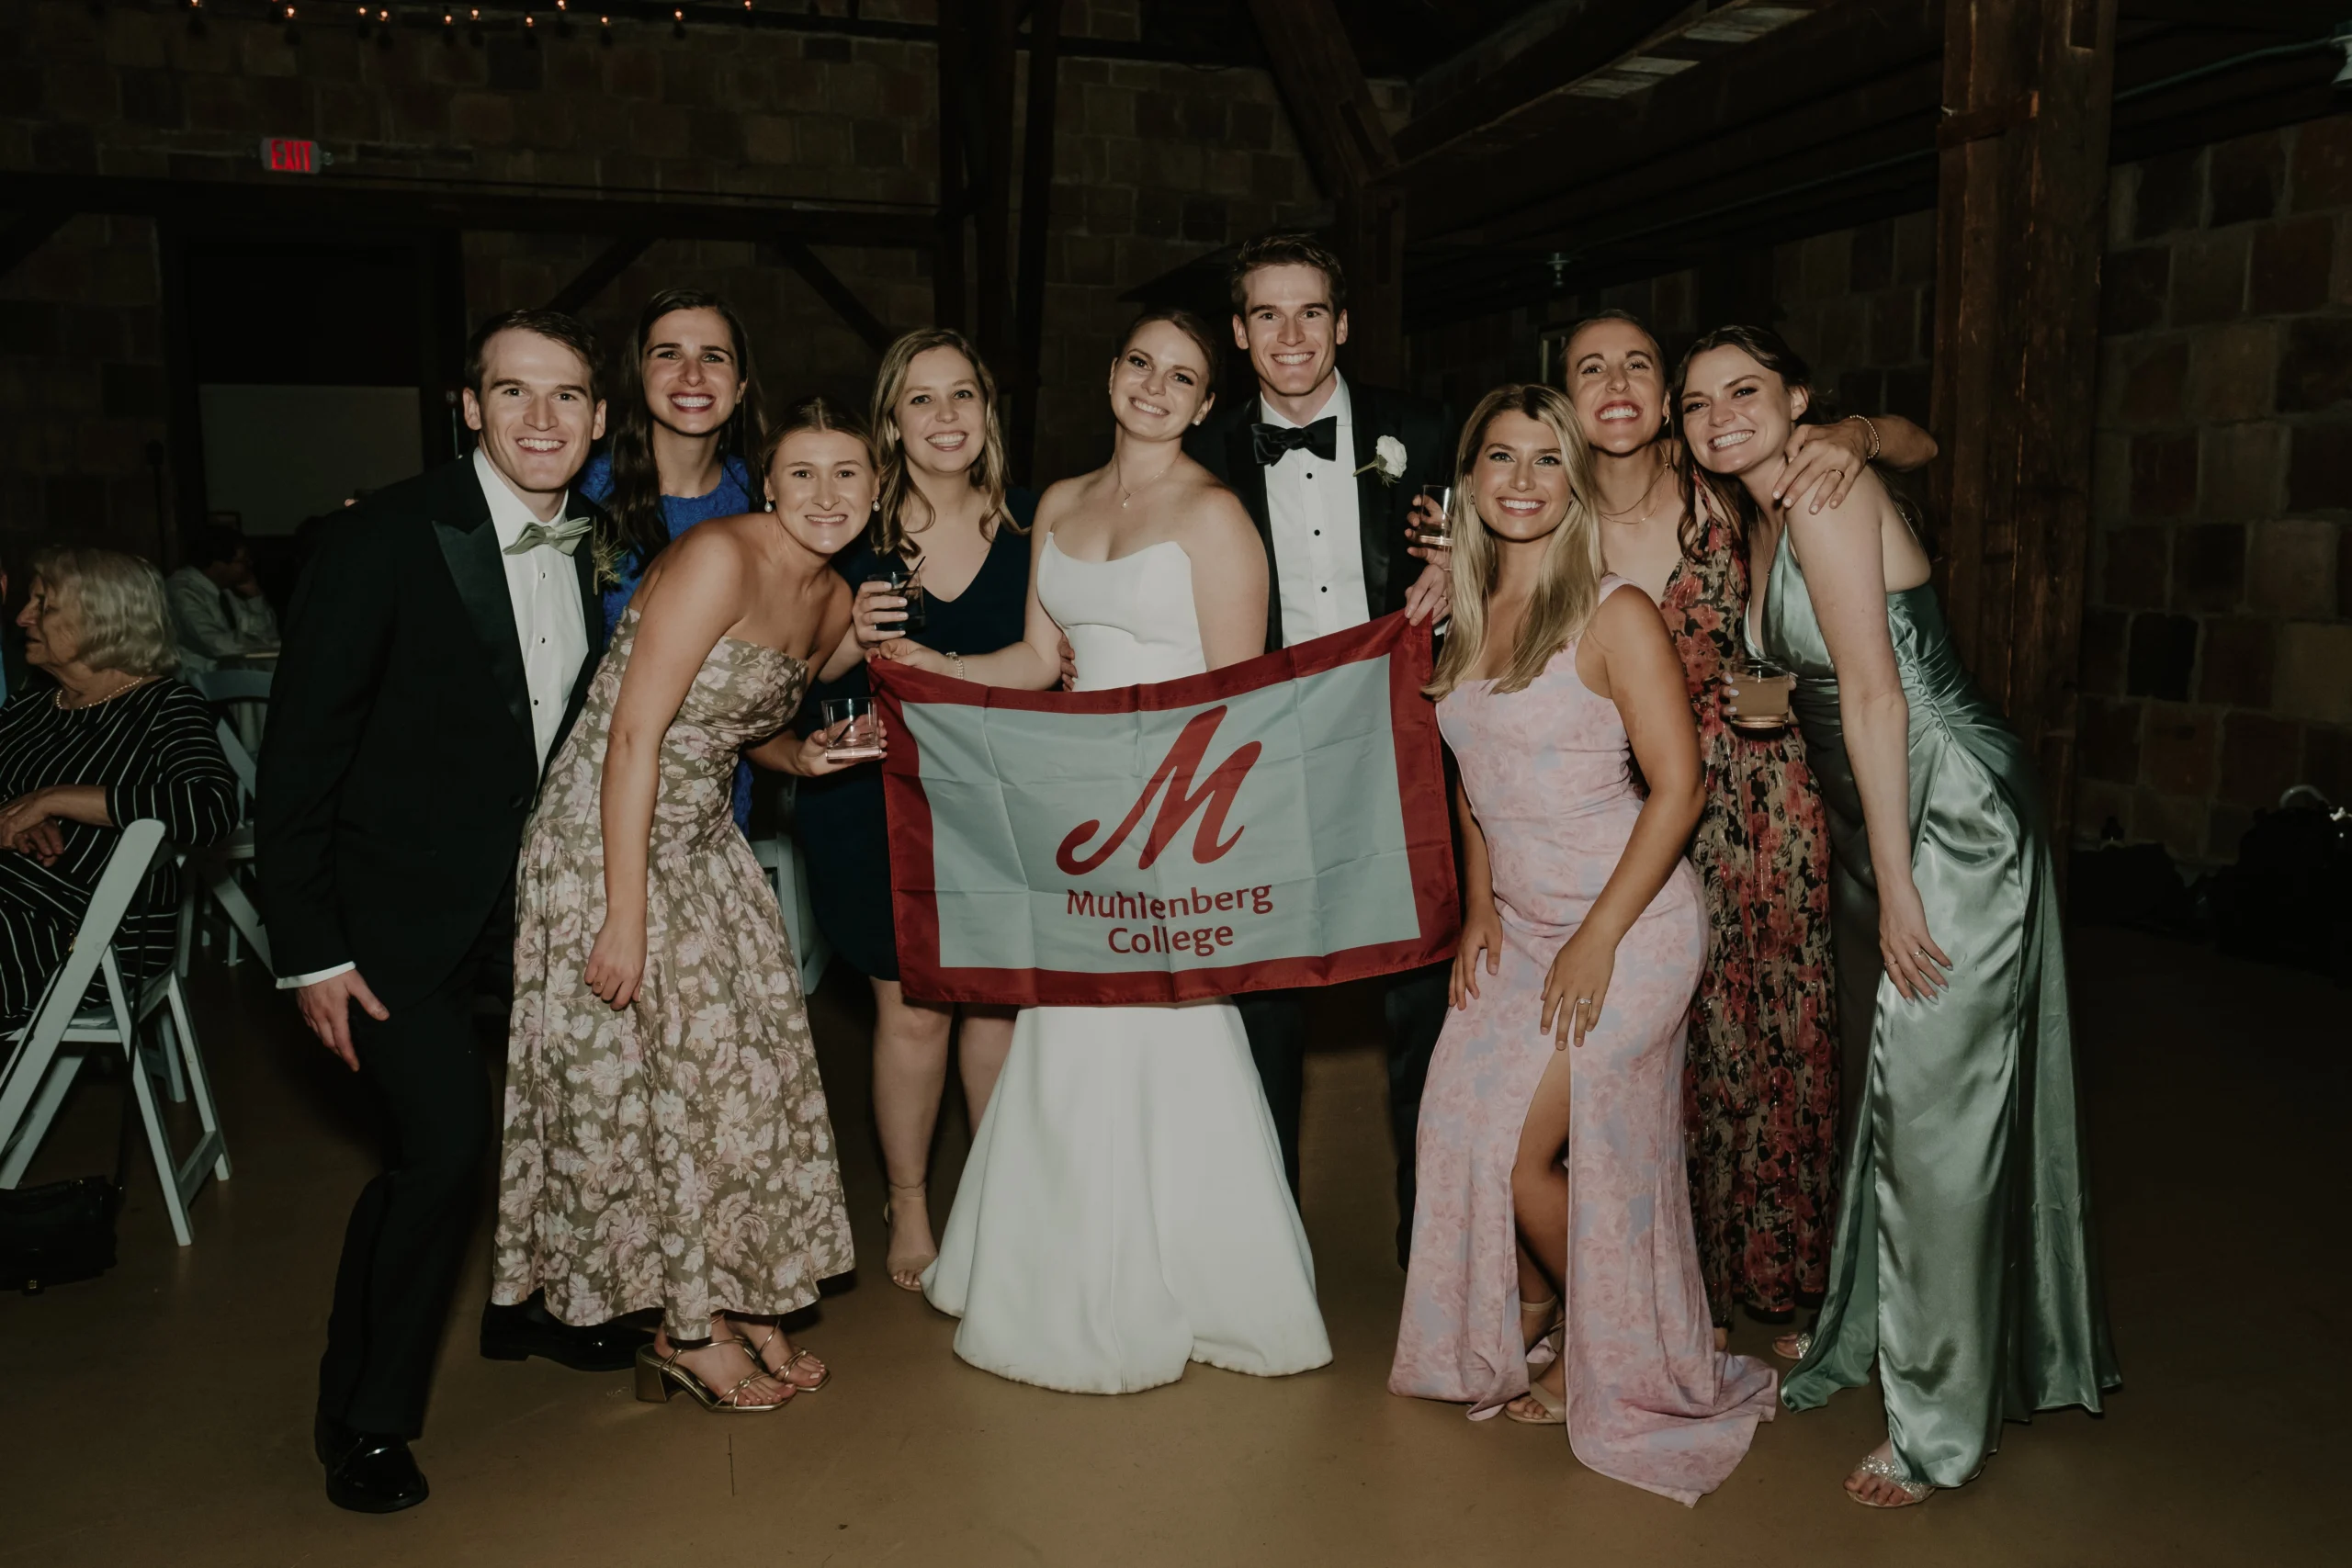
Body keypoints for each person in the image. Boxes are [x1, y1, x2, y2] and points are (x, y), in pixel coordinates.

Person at [1679, 325, 2119, 1507]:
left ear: (1797, 399)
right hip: (1887, 813)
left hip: (1947, 816)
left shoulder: (1821, 491)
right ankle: (1874, 1326)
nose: (1718, 414)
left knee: (1939, 1111)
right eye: (1697, 401)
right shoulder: (1769, 504)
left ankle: (1937, 1422)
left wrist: (1902, 876)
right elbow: (1822, 680)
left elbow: (1875, 690)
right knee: (1902, 1085)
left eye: (1744, 391)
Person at [879, 310, 1331, 1393]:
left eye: (1182, 377)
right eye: (1140, 364)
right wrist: (921, 666)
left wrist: (1178, 822)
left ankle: (1188, 1278)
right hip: (1074, 819)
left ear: (1204, 402)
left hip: (1170, 823)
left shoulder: (1218, 520)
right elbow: (1038, 659)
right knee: (1064, 1032)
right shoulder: (1059, 507)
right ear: (1113, 373)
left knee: (1160, 1045)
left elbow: (1235, 703)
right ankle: (1049, 1268)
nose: (1155, 388)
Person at [257, 310, 645, 1515]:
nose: (543, 418)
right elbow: (297, 756)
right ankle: (364, 1416)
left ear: (595, 417)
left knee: (574, 1113)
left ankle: (541, 1308)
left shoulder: (601, 546)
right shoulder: (379, 542)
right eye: (514, 392)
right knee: (443, 1150)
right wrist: (310, 947)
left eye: (569, 395)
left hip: (537, 902)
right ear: (468, 405)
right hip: (394, 917)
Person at [1387, 384, 1776, 1505]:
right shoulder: (1461, 614)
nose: (1519, 481)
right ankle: (1531, 1317)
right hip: (1522, 920)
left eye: (1544, 461)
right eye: (1497, 459)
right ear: (1466, 482)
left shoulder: (1613, 612)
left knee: (1522, 1152)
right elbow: (1473, 786)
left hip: (1633, 920)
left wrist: (1600, 936)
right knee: (1451, 1119)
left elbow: (1679, 786)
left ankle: (1622, 1356)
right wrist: (1478, 910)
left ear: (1572, 483)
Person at [1557, 311, 1940, 1337]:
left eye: (1640, 363)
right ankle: (1663, 1284)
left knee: (1779, 1039)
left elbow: (1916, 444)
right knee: (1661, 1050)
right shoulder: (1545, 516)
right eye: (1590, 369)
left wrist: (1856, 434)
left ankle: (1779, 1286)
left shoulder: (1720, 485)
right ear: (1566, 399)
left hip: (1765, 804)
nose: (1618, 383)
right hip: (1625, 811)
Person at [492, 398, 869, 1413]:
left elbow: (740, 734)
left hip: (700, 832)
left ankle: (735, 1291)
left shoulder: (834, 603)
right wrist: (624, 915)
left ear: (878, 490)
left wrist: (809, 753)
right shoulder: (718, 558)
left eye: (847, 475)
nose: (824, 496)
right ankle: (678, 1329)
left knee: (744, 1071)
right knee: (652, 1086)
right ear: (769, 480)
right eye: (801, 473)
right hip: (600, 834)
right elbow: (632, 735)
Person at [1183, 233, 1453, 1264]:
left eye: (1310, 313)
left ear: (1342, 324)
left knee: (1422, 998)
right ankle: (1265, 1249)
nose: (1289, 335)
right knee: (1264, 1004)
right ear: (1240, 334)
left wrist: (1460, 564)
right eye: (1265, 315)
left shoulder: (1423, 430)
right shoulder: (1204, 455)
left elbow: (1514, 540)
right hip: (1263, 761)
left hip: (1405, 745)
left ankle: (1432, 1242)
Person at [797, 328, 1029, 1291]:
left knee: (997, 1009)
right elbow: (791, 676)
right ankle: (909, 1203)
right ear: (892, 418)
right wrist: (851, 640)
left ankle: (1000, 1192)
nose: (944, 417)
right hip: (873, 798)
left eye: (961, 395)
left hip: (997, 802)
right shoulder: (851, 528)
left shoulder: (1030, 531)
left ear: (986, 411)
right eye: (921, 399)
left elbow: (1052, 667)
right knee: (914, 1011)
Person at [0, 547, 235, 1032]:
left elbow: (211, 809)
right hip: (17, 902)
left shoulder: (166, 706)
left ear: (103, 618)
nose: (23, 617)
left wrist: (55, 799)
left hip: (94, 939)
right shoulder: (32, 706)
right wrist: (12, 821)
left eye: (44, 605)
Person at [577, 287, 767, 830]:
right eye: (668, 354)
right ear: (639, 374)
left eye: (713, 357)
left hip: (715, 815)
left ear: (742, 383)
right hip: (591, 799)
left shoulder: (766, 500)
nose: (692, 375)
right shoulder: (582, 493)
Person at [164, 523, 280, 674]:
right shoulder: (181, 591)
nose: (249, 565)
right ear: (218, 564)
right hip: (200, 678)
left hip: (235, 674)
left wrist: (256, 599)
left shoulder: (230, 591)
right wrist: (265, 646)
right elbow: (216, 644)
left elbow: (268, 634)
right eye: (242, 561)